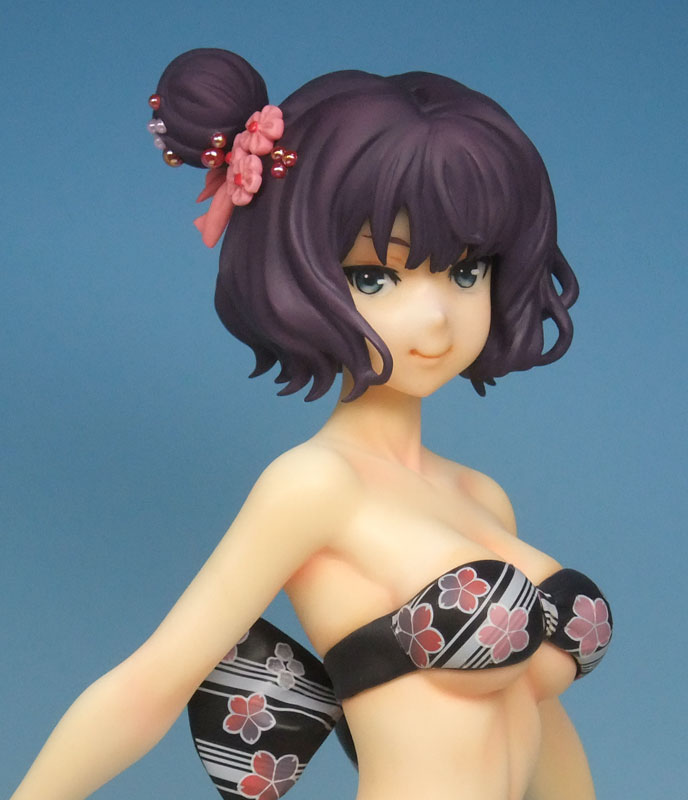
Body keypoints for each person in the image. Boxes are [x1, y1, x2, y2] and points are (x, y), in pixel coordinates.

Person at [11, 48, 611, 800]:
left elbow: (535, 715)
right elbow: (150, 685)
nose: (436, 317)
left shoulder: (481, 497)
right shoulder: (315, 486)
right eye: (375, 277)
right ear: (299, 274)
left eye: (467, 271)